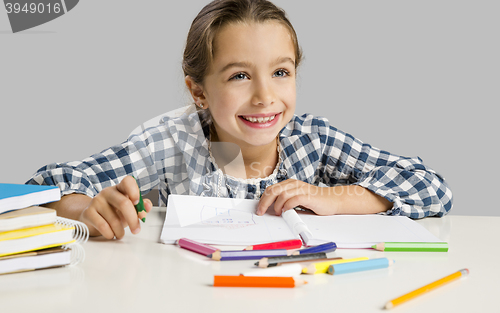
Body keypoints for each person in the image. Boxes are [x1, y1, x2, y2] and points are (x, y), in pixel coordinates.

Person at [27, 0, 453, 240]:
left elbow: (431, 185)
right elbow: (43, 187)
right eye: (240, 76)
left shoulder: (313, 139)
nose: (265, 96)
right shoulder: (170, 142)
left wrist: (338, 198)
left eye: (281, 72)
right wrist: (85, 209)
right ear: (199, 92)